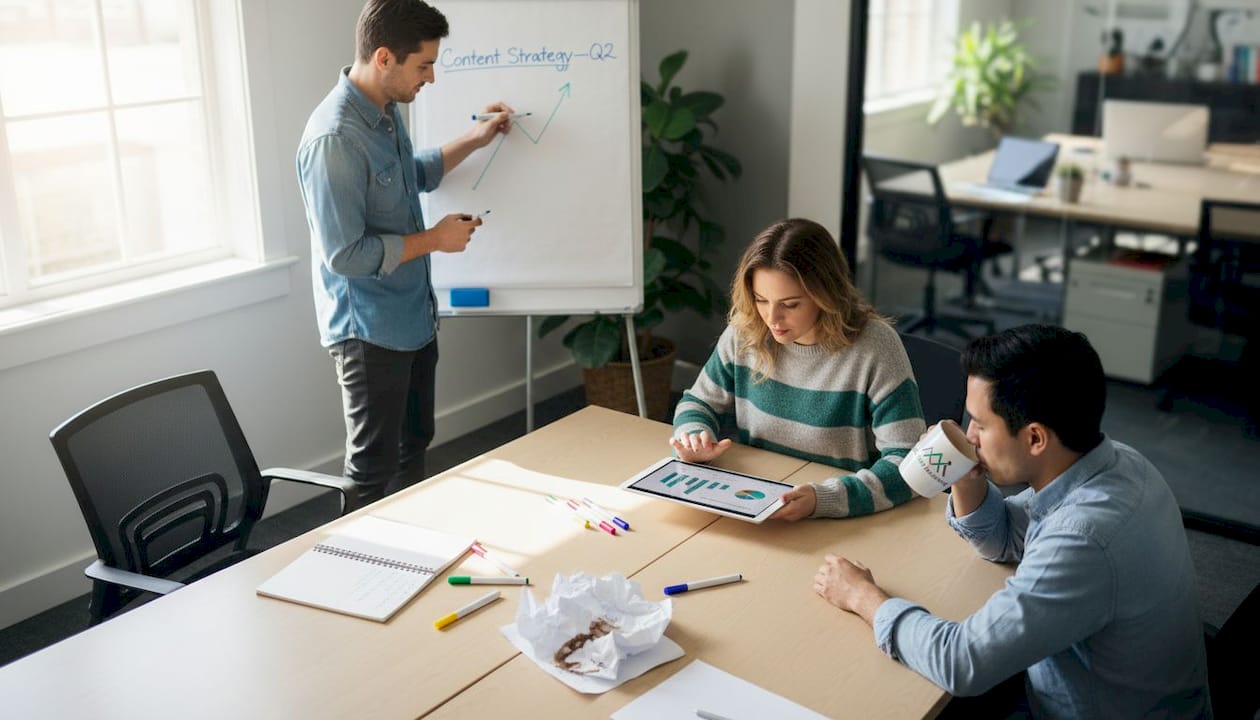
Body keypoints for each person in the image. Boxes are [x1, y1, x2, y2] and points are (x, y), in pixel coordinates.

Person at [812, 325, 1211, 718]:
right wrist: (965, 476)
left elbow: (961, 662)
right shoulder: (1117, 462)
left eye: (981, 425)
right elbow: (1003, 538)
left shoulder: (1083, 538)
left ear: (1035, 438)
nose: (969, 436)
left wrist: (862, 596)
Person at [297, 0, 513, 505]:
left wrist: (476, 139)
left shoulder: (385, 112)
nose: (432, 78)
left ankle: (408, 555)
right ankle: (357, 579)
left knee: (413, 446)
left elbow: (412, 175)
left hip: (413, 315)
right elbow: (344, 255)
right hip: (370, 331)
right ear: (385, 58)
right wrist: (435, 240)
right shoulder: (334, 139)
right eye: (424, 66)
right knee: (373, 468)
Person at [670, 218, 926, 520]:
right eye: (761, 299)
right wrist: (693, 436)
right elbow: (697, 403)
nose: (772, 318)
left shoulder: (876, 347)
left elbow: (910, 465)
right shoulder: (745, 331)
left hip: (845, 519)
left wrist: (823, 499)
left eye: (790, 304)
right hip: (759, 505)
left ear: (826, 295)